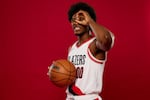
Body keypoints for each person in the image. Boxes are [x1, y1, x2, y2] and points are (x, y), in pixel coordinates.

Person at [65, 2, 115, 100]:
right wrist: (56, 73)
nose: (75, 23)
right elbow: (68, 75)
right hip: (70, 97)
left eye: (81, 19)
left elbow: (105, 39)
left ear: (88, 20)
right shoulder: (72, 48)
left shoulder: (94, 45)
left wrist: (90, 21)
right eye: (73, 20)